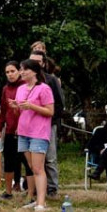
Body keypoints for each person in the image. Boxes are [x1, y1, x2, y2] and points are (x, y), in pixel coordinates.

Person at [12, 59, 55, 212]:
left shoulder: (44, 89)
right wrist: (16, 107)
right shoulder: (20, 88)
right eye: (21, 69)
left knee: (38, 168)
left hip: (39, 132)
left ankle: (41, 203)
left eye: (25, 69)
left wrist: (32, 106)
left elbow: (50, 111)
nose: (22, 72)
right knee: (31, 167)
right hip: (23, 131)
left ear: (35, 71)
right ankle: (38, 199)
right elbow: (21, 111)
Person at [30, 50, 65, 198]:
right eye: (32, 61)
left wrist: (47, 117)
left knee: (50, 157)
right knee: (33, 159)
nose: (35, 64)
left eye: (38, 61)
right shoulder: (26, 80)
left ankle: (52, 188)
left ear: (43, 63)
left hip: (49, 124)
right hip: (31, 127)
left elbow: (59, 105)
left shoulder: (51, 80)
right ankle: (35, 188)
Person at [0, 61, 31, 199]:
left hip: (25, 131)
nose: (10, 74)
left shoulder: (26, 87)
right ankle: (8, 191)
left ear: (19, 71)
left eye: (12, 71)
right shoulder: (5, 89)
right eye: (7, 72)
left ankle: (31, 193)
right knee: (9, 161)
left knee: (28, 163)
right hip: (10, 131)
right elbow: (3, 110)